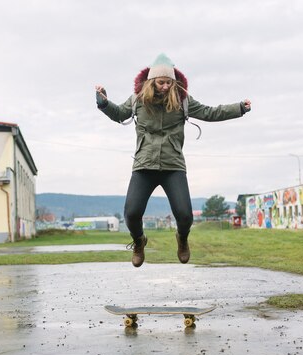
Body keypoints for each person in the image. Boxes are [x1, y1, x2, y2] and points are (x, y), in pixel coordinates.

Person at [95, 53, 251, 267]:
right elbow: (120, 114)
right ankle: (139, 241)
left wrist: (239, 108)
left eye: (169, 82)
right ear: (151, 81)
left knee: (185, 216)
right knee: (131, 214)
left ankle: (182, 239)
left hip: (173, 165)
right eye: (161, 82)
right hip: (144, 165)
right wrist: (103, 103)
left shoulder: (182, 100)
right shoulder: (138, 100)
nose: (166, 86)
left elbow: (209, 112)